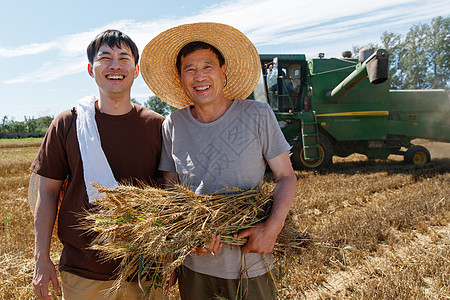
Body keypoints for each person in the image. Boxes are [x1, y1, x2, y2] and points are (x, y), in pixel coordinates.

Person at [140, 22, 297, 299]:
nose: (199, 76)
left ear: (223, 71)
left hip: (250, 264)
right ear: (180, 77)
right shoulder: (173, 124)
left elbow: (286, 176)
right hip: (195, 266)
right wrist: (187, 238)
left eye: (207, 66)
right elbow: (170, 191)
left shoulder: (257, 115)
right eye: (190, 69)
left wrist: (273, 227)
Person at [30, 29, 164, 300]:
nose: (115, 65)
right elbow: (47, 193)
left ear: (136, 70)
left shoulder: (157, 125)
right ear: (91, 69)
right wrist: (41, 258)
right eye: (106, 58)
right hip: (82, 271)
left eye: (124, 58)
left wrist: (169, 257)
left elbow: (170, 194)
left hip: (144, 270)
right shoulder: (68, 123)